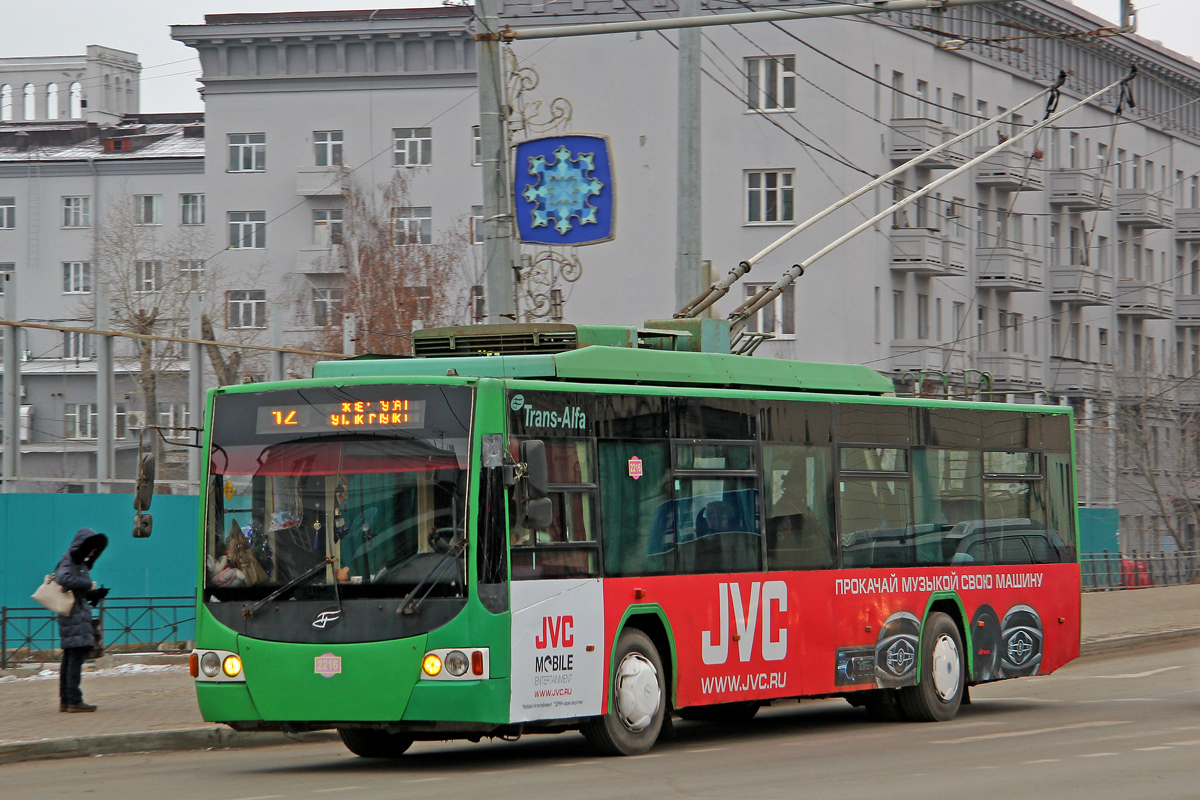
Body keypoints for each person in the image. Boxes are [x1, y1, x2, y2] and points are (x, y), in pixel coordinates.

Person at [54, 527, 108, 713]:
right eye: (91, 548)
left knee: (70, 659)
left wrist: (96, 594)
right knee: (74, 659)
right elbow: (64, 579)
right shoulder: (69, 559)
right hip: (74, 617)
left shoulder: (78, 562)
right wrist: (88, 585)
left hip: (76, 615)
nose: (93, 552)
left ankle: (66, 700)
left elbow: (78, 592)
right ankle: (74, 701)